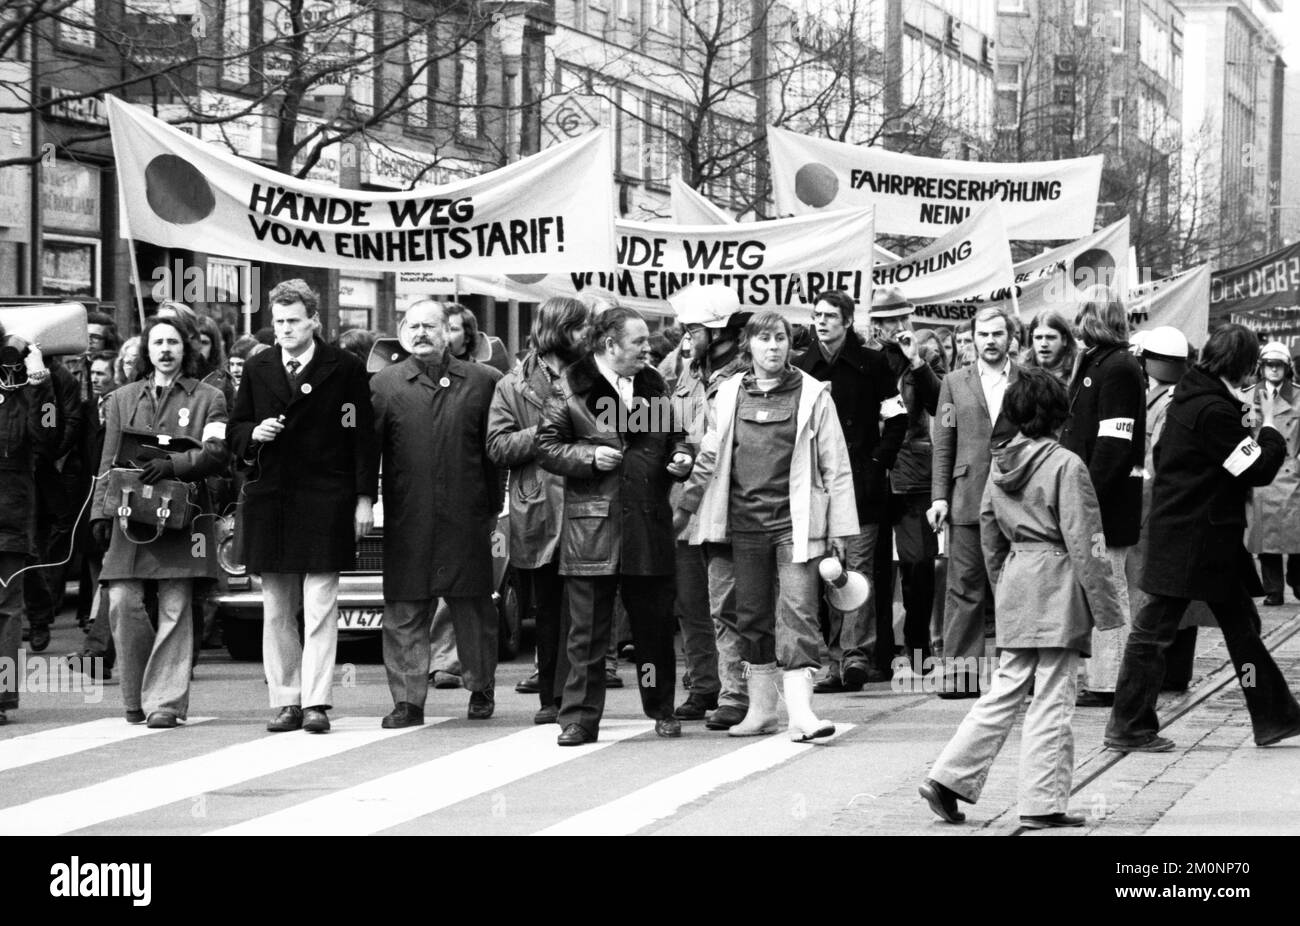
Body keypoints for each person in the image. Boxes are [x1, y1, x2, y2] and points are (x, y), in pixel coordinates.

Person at [919, 367, 1125, 828]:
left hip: (1017, 577)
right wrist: (1107, 608)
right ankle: (1042, 802)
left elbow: (989, 533)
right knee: (1053, 696)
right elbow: (1086, 540)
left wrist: (1005, 585)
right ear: (1059, 416)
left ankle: (948, 777)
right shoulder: (1067, 465)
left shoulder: (999, 464)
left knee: (1004, 690)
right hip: (1059, 583)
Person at [1105, 324, 1300, 752]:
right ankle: (1129, 725)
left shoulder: (1193, 397)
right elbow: (1256, 469)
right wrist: (1269, 426)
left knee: (1241, 627)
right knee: (1154, 631)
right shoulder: (1212, 410)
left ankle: (1274, 715)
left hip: (1205, 539)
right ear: (1245, 366)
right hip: (1194, 539)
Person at [676, 311, 857, 740]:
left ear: (789, 345)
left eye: (780, 339)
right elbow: (709, 455)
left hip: (795, 524)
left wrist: (839, 530)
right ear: (749, 347)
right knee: (751, 616)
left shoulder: (814, 394)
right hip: (742, 524)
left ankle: (802, 714)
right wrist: (685, 507)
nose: (773, 347)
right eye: (764, 339)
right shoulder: (729, 393)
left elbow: (837, 465)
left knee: (798, 614)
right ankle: (760, 711)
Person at [537, 305, 693, 745]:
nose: (649, 349)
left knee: (653, 630)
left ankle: (660, 707)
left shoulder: (653, 384)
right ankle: (580, 719)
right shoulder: (570, 386)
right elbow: (547, 447)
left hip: (647, 521)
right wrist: (587, 458)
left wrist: (681, 458)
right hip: (593, 528)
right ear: (610, 345)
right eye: (639, 342)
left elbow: (675, 438)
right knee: (586, 634)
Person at [228, 280, 377, 734]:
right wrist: (254, 433)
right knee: (276, 607)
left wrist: (364, 499)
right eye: (278, 322)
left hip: (325, 497)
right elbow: (236, 429)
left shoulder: (345, 367)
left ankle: (316, 701)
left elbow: (361, 436)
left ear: (314, 320)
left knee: (320, 604)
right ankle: (286, 699)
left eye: (294, 321)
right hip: (271, 498)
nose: (285, 330)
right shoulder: (260, 366)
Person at [90, 316, 230, 728]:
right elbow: (107, 459)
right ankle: (135, 696)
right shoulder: (121, 398)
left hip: (185, 516)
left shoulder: (210, 397)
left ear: (185, 349)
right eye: (157, 343)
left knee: (175, 606)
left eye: (172, 342)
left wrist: (175, 463)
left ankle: (165, 703)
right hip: (129, 514)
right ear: (146, 350)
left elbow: (219, 453)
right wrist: (101, 510)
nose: (165, 350)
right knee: (122, 603)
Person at [371, 299, 503, 727]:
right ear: (402, 331)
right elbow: (364, 452)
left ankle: (480, 686)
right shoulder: (384, 385)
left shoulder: (484, 382)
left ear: (450, 332)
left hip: (467, 513)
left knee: (473, 607)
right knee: (404, 609)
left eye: (430, 326)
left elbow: (495, 451)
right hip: (409, 516)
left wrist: (492, 504)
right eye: (413, 326)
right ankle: (408, 701)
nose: (421, 333)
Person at [793, 290, 906, 692]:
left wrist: (878, 463)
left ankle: (855, 655)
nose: (822, 322)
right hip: (815, 485)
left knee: (855, 572)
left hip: (861, 484)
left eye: (830, 316)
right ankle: (832, 657)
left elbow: (897, 419)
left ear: (847, 321)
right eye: (817, 315)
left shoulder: (874, 363)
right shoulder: (802, 367)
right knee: (825, 570)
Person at [487, 296, 591, 725]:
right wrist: (547, 431)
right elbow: (497, 447)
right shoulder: (511, 385)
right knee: (548, 611)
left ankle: (579, 698)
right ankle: (550, 697)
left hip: (590, 504)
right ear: (560, 329)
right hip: (540, 508)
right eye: (581, 327)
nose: (588, 335)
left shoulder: (597, 376)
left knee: (584, 611)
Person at [664, 284, 750, 728]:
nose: (684, 336)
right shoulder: (685, 370)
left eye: (692, 328)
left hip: (725, 502)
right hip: (685, 502)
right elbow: (664, 418)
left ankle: (737, 691)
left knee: (726, 604)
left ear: (717, 330)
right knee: (689, 602)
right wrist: (676, 448)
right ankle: (703, 685)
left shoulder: (746, 374)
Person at [1059, 287, 1146, 709]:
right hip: (1098, 501)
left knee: (1109, 589)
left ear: (1093, 319)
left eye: (1082, 316)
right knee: (1102, 588)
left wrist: (1085, 496)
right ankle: (1103, 676)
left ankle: (1111, 680)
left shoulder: (1119, 368)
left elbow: (1114, 443)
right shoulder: (1100, 363)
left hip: (1106, 505)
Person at [928, 306, 1020, 698]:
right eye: (983, 334)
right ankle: (961, 675)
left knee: (1016, 587)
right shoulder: (953, 382)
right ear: (974, 337)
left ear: (1010, 338)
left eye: (997, 334)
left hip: (1018, 497)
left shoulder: (1029, 379)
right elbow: (943, 443)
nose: (990, 341)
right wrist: (938, 498)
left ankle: (1018, 674)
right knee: (964, 587)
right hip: (966, 496)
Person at [867, 293, 946, 675]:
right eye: (883, 319)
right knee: (874, 568)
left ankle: (918, 642)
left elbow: (939, 406)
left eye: (898, 318)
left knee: (918, 563)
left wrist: (916, 362)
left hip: (913, 474)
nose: (891, 327)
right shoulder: (865, 356)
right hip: (871, 472)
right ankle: (879, 652)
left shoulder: (922, 358)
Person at [0, 326, 56, 724]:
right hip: (13, 511)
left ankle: (0, 696)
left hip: (10, 515)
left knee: (5, 608)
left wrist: (38, 378)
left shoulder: (21, 390)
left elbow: (48, 437)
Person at [1248, 342, 1300, 606]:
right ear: (1261, 367)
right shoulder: (1248, 398)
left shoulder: (1299, 397)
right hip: (1262, 471)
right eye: (1269, 365)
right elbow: (1244, 433)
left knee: (1295, 533)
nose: (1274, 370)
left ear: (1287, 368)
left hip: (1292, 471)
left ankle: (1297, 578)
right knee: (1266, 536)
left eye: (1279, 365)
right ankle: (1273, 589)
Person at [1023, 312, 1079, 386]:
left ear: (1064, 340)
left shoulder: (1080, 372)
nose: (1044, 344)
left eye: (1050, 337)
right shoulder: (1021, 372)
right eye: (1038, 337)